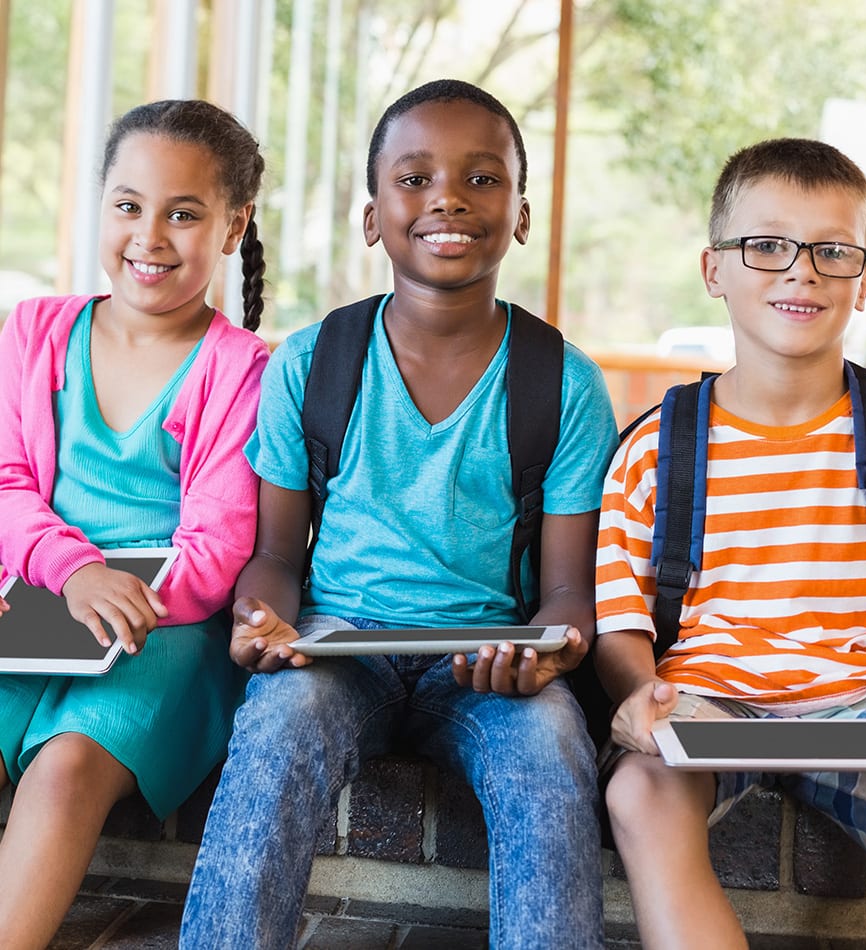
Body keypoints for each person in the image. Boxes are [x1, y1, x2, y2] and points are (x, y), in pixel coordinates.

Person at [180, 79, 618, 950]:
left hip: (489, 660)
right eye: (414, 179)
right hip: (340, 644)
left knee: (548, 759)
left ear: (522, 212)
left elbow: (569, 591)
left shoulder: (562, 382)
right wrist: (261, 614)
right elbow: (275, 553)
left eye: (482, 179)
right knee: (276, 728)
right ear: (374, 216)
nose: (448, 197)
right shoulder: (312, 361)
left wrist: (546, 652)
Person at [594, 136, 866, 950]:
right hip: (706, 698)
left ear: (863, 282)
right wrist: (640, 692)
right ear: (714, 268)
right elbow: (622, 624)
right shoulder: (654, 452)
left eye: (833, 251)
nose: (802, 271)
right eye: (767, 246)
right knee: (639, 795)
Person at [0, 99, 269, 949]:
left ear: (233, 226)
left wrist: (115, 599)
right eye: (129, 205)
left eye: (183, 213)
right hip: (32, 602)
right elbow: (5, 483)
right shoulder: (34, 331)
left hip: (164, 627)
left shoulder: (245, 371)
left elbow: (219, 542)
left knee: (70, 765)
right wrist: (69, 576)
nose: (150, 234)